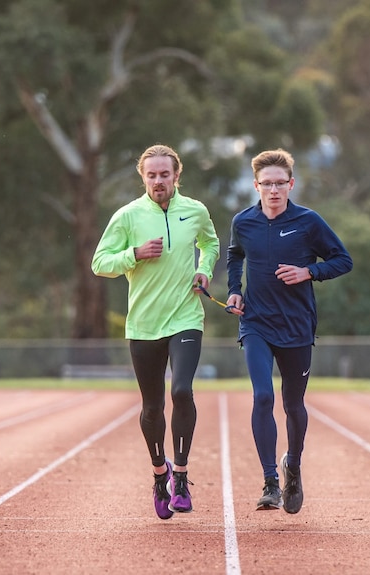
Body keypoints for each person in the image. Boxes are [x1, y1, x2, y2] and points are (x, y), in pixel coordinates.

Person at [91, 144, 220, 520]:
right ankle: (159, 473)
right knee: (152, 406)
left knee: (181, 390)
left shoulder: (195, 210)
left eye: (165, 175)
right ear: (143, 177)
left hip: (185, 316)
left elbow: (210, 243)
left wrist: (205, 270)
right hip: (144, 324)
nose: (158, 181)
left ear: (176, 176)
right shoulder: (128, 216)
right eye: (152, 175)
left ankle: (181, 476)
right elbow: (100, 263)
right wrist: (133, 253)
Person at [226, 148, 352, 514]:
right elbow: (235, 255)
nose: (274, 190)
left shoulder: (309, 221)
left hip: (297, 326)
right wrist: (235, 290)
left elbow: (343, 260)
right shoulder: (243, 222)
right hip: (256, 324)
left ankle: (292, 465)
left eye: (281, 183)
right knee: (262, 396)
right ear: (256, 186)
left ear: (291, 184)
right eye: (267, 184)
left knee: (293, 405)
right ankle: (269, 482)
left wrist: (308, 272)